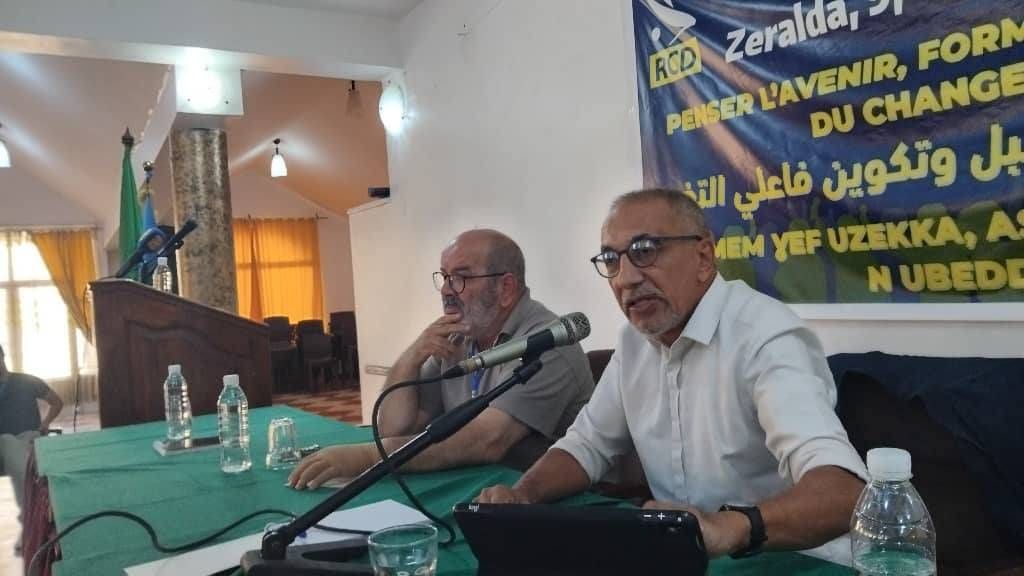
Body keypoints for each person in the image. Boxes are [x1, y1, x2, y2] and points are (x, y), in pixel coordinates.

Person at [478, 189, 868, 563]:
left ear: (703, 257)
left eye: (645, 251)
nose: (626, 278)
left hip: (786, 557)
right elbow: (587, 446)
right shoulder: (634, 342)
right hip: (679, 553)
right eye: (611, 260)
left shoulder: (765, 336)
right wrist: (523, 495)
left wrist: (730, 527)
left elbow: (845, 493)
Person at [289, 229, 595, 490]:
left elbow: (488, 440)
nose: (447, 290)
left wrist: (366, 458)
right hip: (478, 486)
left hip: (544, 501)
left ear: (506, 288)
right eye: (445, 277)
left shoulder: (547, 343)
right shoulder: (459, 336)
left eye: (461, 277)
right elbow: (394, 428)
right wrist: (411, 357)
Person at [0, 343, 63, 554]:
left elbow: (56, 402)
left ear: (2, 356)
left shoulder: (26, 381)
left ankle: (32, 522)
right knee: (8, 442)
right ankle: (33, 521)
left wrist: (45, 424)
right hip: (2, 443)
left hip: (29, 437)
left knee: (21, 452)